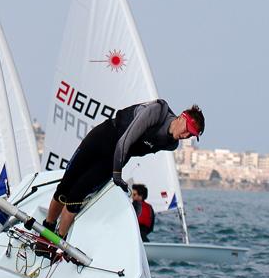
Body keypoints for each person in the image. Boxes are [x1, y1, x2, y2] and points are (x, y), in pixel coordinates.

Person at [39, 101, 202, 252]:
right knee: (65, 188)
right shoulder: (157, 112)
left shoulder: (171, 144)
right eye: (187, 129)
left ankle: (57, 243)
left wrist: (116, 169)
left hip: (115, 158)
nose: (186, 135)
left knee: (75, 197)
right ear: (181, 117)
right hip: (103, 137)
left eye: (191, 135)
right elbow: (125, 141)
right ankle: (46, 230)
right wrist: (117, 174)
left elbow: (131, 149)